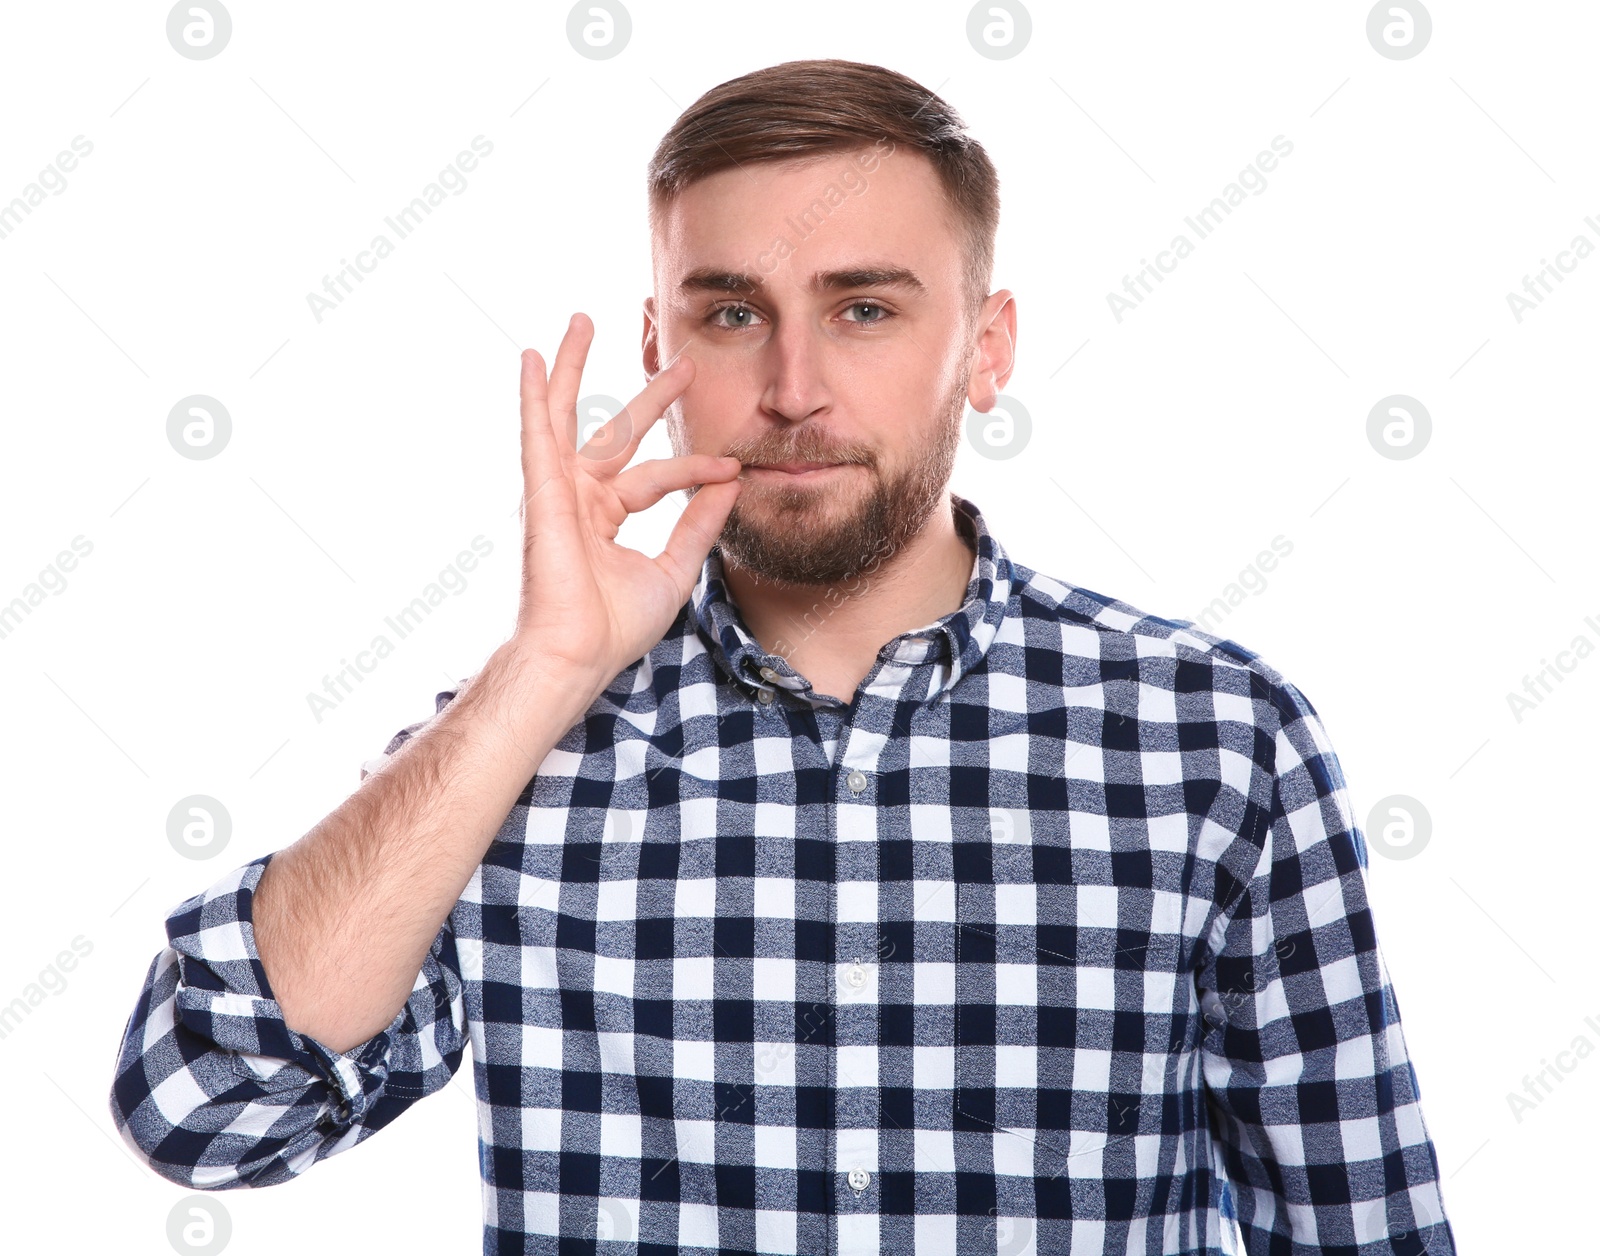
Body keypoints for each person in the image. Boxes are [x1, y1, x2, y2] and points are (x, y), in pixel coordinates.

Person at [109, 59, 1456, 1255]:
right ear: (660, 352)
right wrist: (542, 668)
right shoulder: (519, 750)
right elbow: (205, 1110)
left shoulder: (1213, 740)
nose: (795, 388)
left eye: (865, 310)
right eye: (732, 314)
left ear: (985, 350)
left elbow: (1361, 1227)